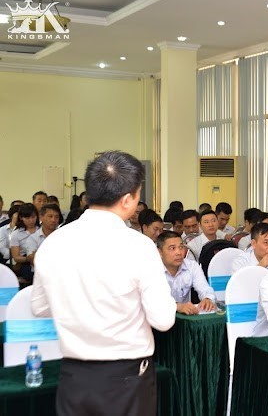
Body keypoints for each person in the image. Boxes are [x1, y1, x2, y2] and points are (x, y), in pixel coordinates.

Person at [31, 150, 176, 416]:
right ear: (128, 199)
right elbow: (163, 319)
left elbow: (39, 307)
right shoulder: (139, 246)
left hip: (73, 377)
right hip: (127, 378)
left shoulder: (53, 244)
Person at [157, 231, 217, 315]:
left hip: (185, 317)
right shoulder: (152, 270)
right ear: (160, 252)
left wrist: (208, 299)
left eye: (181, 247)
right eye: (172, 248)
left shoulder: (191, 266)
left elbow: (204, 288)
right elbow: (153, 300)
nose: (178, 252)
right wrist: (177, 306)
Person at [9, 203, 39, 283]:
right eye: (27, 218)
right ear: (21, 218)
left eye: (33, 217)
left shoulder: (41, 230)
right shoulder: (16, 234)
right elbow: (16, 257)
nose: (31, 221)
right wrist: (29, 258)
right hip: (25, 262)